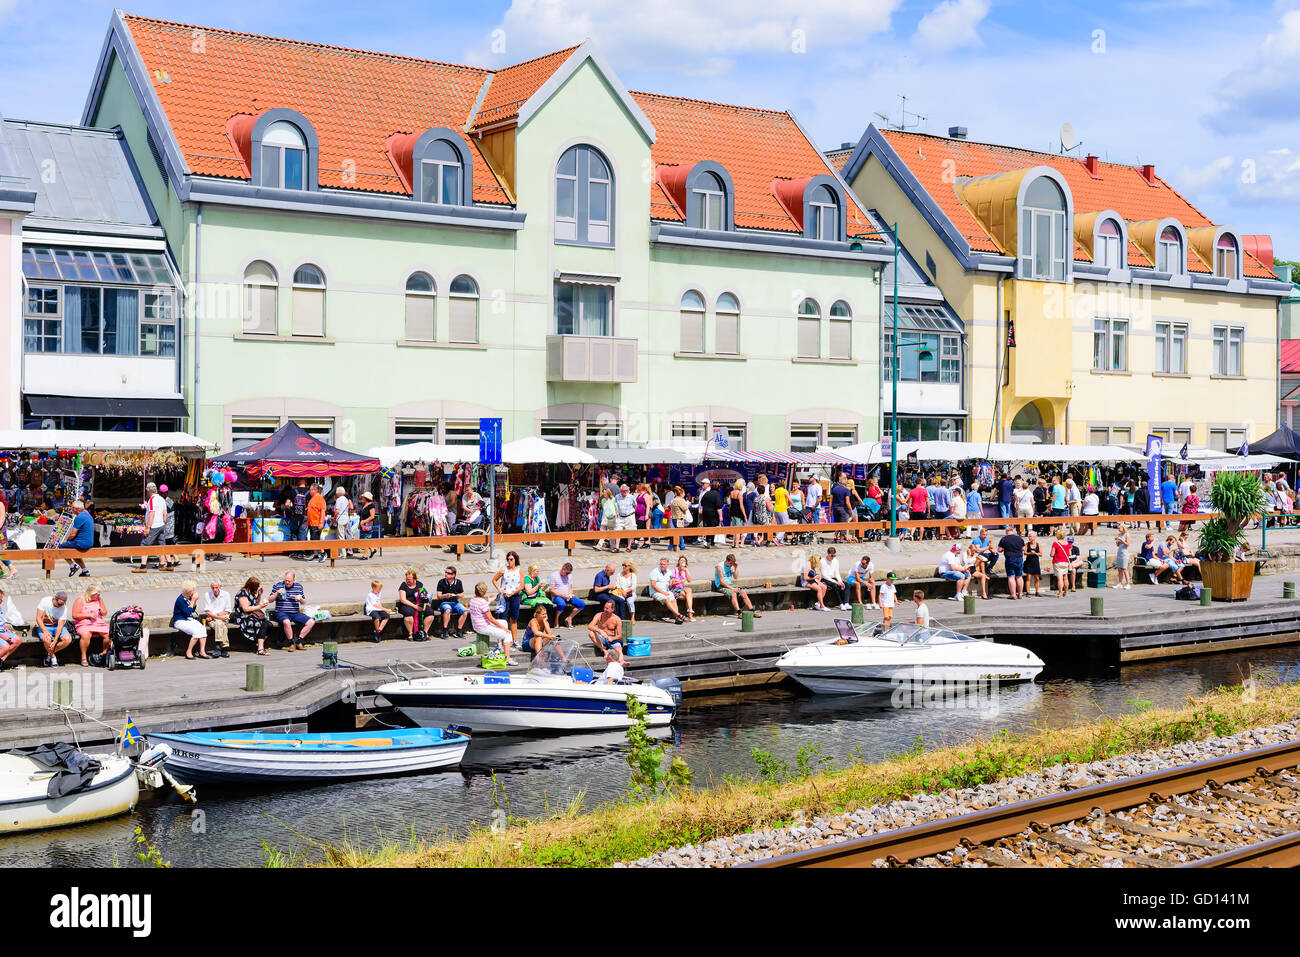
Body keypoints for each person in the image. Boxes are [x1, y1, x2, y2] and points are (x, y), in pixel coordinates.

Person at [470, 581, 514, 663]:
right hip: (483, 627)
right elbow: (491, 618)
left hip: (477, 624)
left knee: (504, 622)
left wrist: (489, 601)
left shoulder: (473, 599)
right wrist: (504, 629)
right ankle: (508, 658)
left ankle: (500, 645)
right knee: (508, 634)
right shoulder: (483, 602)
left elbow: (481, 607)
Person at [270, 570, 314, 650]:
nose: (287, 583)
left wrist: (300, 599)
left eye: (289, 581)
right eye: (286, 580)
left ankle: (298, 642)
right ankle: (291, 643)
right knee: (286, 622)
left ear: (294, 580)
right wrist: (277, 593)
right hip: (281, 612)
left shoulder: (298, 586)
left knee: (311, 622)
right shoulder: (278, 585)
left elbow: (304, 602)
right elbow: (270, 600)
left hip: (295, 612)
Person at [71, 585, 110, 666]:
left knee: (109, 634)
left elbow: (105, 612)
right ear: (91, 593)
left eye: (99, 595)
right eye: (97, 594)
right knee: (86, 635)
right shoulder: (80, 600)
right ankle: (83, 657)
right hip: (83, 623)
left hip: (98, 623)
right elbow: (75, 615)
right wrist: (88, 615)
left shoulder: (99, 599)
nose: (99, 596)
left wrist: (102, 611)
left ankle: (104, 653)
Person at [492, 550, 525, 642]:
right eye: (508, 559)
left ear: (515, 560)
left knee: (514, 619)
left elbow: (521, 586)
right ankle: (502, 641)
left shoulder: (519, 571)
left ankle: (514, 640)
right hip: (504, 597)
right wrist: (500, 590)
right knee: (503, 619)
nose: (509, 561)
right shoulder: (503, 569)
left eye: (511, 559)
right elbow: (494, 580)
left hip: (514, 596)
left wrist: (512, 593)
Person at [36, 590, 73, 667]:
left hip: (56, 627)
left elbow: (60, 626)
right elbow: (38, 618)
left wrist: (55, 640)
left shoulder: (64, 608)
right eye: (59, 604)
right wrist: (45, 631)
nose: (60, 606)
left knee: (68, 639)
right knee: (46, 639)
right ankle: (53, 658)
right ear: (54, 599)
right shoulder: (45, 601)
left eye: (62, 604)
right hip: (44, 625)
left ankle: (49, 654)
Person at [173, 581, 209, 660]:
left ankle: (202, 651)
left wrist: (194, 601)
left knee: (203, 628)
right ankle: (188, 652)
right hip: (180, 621)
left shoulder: (188, 597)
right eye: (193, 590)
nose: (194, 591)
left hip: (188, 619)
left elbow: (192, 610)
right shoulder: (180, 600)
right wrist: (193, 600)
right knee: (195, 631)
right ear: (187, 591)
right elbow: (188, 612)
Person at [714, 553, 758, 617]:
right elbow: (722, 582)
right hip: (721, 585)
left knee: (743, 593)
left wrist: (736, 567)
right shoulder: (719, 567)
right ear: (727, 561)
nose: (731, 565)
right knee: (733, 593)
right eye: (731, 564)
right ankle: (739, 612)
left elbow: (736, 577)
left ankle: (752, 611)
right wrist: (733, 589)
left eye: (732, 564)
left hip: (730, 584)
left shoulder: (731, 566)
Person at [235, 576, 271, 655]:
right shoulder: (242, 593)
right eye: (257, 586)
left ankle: (258, 644)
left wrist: (259, 595)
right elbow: (246, 609)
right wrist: (260, 607)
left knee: (269, 624)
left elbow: (255, 603)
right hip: (243, 617)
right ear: (251, 585)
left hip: (251, 615)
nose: (258, 587)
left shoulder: (250, 592)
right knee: (263, 624)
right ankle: (260, 649)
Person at [649, 556, 691, 623]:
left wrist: (672, 583)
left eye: (664, 564)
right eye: (661, 564)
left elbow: (670, 583)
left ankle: (677, 618)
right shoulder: (654, 572)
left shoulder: (669, 572)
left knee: (673, 600)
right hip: (656, 592)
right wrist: (663, 592)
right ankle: (678, 614)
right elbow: (653, 585)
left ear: (667, 565)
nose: (662, 566)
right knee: (667, 599)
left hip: (666, 590)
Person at [398, 568, 435, 640]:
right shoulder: (403, 586)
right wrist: (415, 607)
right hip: (408, 604)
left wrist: (424, 605)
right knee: (408, 613)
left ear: (414, 579)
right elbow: (403, 599)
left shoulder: (419, 584)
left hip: (419, 603)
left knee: (430, 612)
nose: (407, 581)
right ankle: (410, 634)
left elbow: (424, 595)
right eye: (406, 579)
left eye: (409, 579)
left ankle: (424, 633)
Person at [201, 579, 233, 658]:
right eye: (213, 588)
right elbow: (207, 611)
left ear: (220, 587)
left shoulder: (226, 594)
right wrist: (217, 617)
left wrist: (216, 616)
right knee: (222, 625)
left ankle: (218, 647)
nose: (214, 589)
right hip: (213, 619)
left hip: (222, 617)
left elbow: (228, 610)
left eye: (216, 587)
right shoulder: (207, 595)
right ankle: (224, 648)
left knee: (220, 623)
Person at [548, 562, 586, 628]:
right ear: (563, 569)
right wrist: (563, 596)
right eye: (567, 573)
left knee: (581, 603)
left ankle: (569, 618)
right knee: (562, 604)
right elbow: (551, 590)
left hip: (567, 596)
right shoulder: (554, 575)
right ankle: (556, 620)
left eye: (569, 573)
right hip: (558, 596)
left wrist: (570, 594)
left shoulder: (569, 576)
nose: (567, 575)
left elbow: (570, 587)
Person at [139, 481, 167, 569]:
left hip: (154, 526)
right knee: (161, 544)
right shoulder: (162, 499)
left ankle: (143, 566)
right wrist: (163, 523)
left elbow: (152, 514)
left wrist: (148, 527)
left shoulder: (152, 500)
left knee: (145, 544)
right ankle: (162, 563)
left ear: (149, 491)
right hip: (161, 525)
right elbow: (165, 513)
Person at [63, 499, 95, 577]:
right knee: (73, 552)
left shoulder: (79, 517)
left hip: (82, 543)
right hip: (88, 542)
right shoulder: (86, 514)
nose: (71, 509)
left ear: (76, 509)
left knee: (61, 547)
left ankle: (73, 566)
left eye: (72, 508)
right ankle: (85, 571)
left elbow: (73, 534)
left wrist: (66, 541)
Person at [435, 565, 468, 639]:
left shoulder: (458, 582)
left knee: (465, 612)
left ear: (453, 575)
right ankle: (445, 630)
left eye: (448, 573)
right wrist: (445, 596)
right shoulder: (441, 582)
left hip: (455, 602)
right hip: (444, 603)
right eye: (445, 572)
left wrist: (459, 596)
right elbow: (438, 596)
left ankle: (459, 631)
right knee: (447, 610)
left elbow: (462, 593)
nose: (446, 574)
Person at [998, 526, 1025, 600]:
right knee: (1019, 576)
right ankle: (1020, 594)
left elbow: (999, 550)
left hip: (1010, 559)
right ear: (1012, 531)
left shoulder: (1004, 539)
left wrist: (1004, 548)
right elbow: (1023, 548)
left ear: (1006, 532)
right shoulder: (1019, 538)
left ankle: (1013, 594)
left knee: (1011, 577)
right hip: (1019, 558)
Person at [670, 556, 697, 621]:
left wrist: (685, 571)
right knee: (689, 596)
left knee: (689, 590)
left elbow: (689, 580)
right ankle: (690, 615)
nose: (682, 562)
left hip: (682, 589)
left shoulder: (686, 570)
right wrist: (679, 582)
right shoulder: (674, 570)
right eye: (681, 560)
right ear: (678, 562)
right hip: (674, 589)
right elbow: (671, 584)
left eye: (684, 561)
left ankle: (690, 610)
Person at [614, 483, 638, 552]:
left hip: (629, 516)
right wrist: (617, 512)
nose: (625, 492)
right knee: (617, 531)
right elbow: (615, 506)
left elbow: (635, 505)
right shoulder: (617, 497)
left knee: (630, 531)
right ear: (620, 490)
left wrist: (632, 513)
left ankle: (629, 547)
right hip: (620, 516)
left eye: (626, 490)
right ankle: (617, 547)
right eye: (623, 490)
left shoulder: (631, 497)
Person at [306, 484, 327, 562]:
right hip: (312, 522)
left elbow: (322, 511)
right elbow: (310, 510)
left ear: (315, 490)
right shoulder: (313, 498)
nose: (309, 491)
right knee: (312, 539)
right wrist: (308, 521)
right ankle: (315, 555)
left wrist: (321, 522)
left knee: (316, 539)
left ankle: (323, 553)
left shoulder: (319, 498)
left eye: (311, 489)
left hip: (317, 522)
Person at [668, 484, 692, 550]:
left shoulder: (673, 500)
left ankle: (671, 546)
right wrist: (687, 503)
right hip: (679, 519)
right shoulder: (680, 500)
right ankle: (682, 546)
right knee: (680, 533)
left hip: (674, 518)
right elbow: (684, 508)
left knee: (675, 533)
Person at [358, 491, 381, 559]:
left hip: (368, 524)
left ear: (366, 498)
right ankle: (372, 550)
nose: (362, 498)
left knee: (366, 539)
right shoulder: (364, 505)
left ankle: (365, 555)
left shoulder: (371, 505)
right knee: (364, 539)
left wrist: (364, 521)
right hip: (363, 524)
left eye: (363, 497)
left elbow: (372, 516)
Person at [1050, 530, 1071, 598]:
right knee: (1065, 577)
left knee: (1060, 578)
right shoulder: (1067, 543)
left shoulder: (1055, 543)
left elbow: (1052, 554)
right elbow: (1069, 554)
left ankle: (1060, 593)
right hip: (1065, 562)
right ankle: (1066, 592)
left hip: (1058, 561)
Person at [727, 479, 748, 548]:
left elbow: (730, 505)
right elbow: (741, 506)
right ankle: (736, 544)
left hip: (732, 512)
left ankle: (733, 543)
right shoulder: (739, 494)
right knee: (738, 530)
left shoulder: (731, 493)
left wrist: (729, 513)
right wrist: (745, 516)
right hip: (738, 513)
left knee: (734, 529)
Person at [1024, 530, 1043, 597]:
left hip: (1036, 563)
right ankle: (1027, 592)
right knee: (1028, 578)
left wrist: (1035, 553)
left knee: (1037, 578)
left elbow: (1041, 554)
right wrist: (1030, 553)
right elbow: (1025, 553)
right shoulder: (1027, 544)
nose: (1029, 538)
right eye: (1029, 536)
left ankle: (1037, 592)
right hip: (1029, 562)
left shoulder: (1038, 545)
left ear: (1034, 537)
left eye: (1031, 536)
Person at [1113, 523, 1132, 590]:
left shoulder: (1127, 534)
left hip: (1125, 553)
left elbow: (1127, 544)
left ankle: (1128, 584)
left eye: (1119, 528)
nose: (1118, 529)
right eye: (1118, 528)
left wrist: (1121, 540)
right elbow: (1118, 545)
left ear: (1123, 528)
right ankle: (1120, 583)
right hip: (1119, 552)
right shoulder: (1119, 535)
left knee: (1124, 568)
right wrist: (1117, 541)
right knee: (1119, 569)